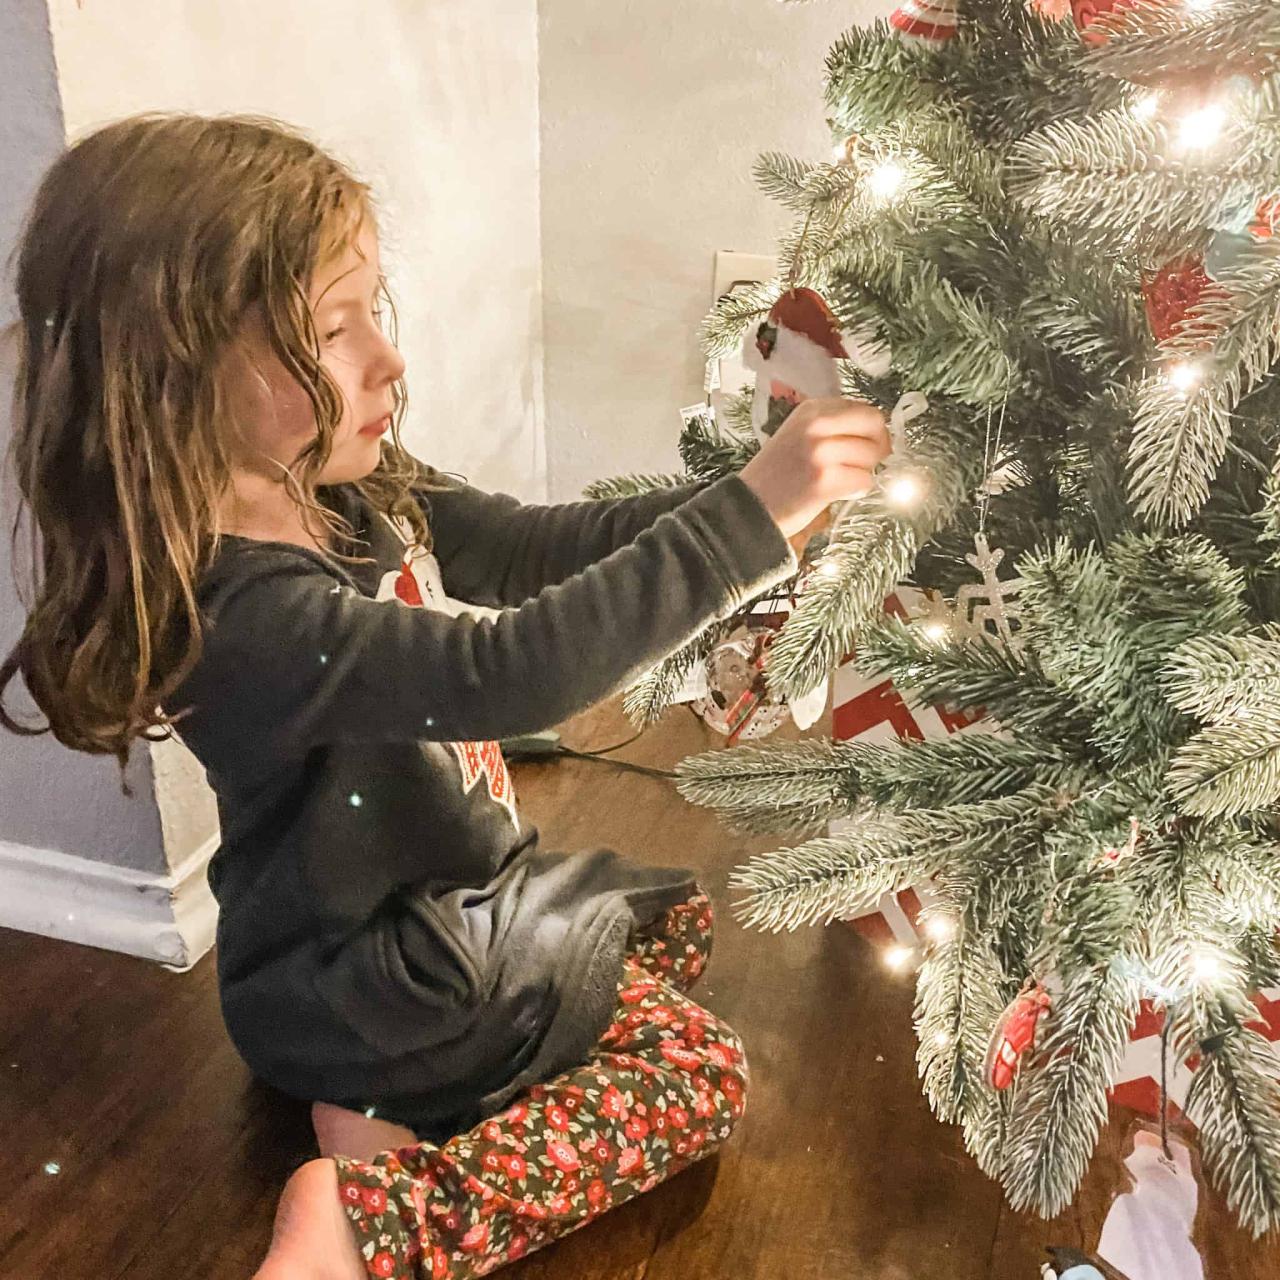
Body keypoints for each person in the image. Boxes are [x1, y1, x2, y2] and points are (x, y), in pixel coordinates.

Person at [0, 112, 891, 1279]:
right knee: (699, 1074)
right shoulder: (241, 617)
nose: (387, 357)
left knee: (665, 915)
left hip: (439, 902)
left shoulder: (349, 486)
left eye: (376, 307)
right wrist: (748, 519)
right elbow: (511, 669)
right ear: (173, 380)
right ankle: (372, 1220)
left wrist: (748, 498)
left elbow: (531, 547)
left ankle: (373, 1103)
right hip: (361, 969)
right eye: (332, 326)